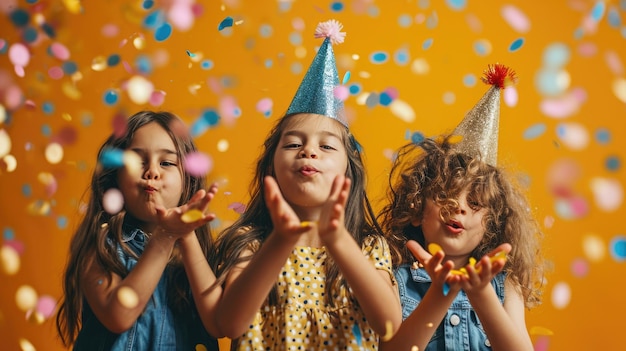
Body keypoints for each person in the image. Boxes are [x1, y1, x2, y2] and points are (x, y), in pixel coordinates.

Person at [210, 19, 401, 350]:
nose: (308, 150)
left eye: (326, 146)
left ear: (348, 172)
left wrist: (338, 240)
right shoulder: (252, 243)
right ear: (272, 166)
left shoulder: (368, 247)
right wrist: (282, 241)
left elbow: (388, 326)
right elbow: (228, 324)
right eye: (292, 144)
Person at [379, 64, 545, 351]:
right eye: (445, 195)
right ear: (417, 209)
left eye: (476, 203)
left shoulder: (506, 286)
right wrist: (440, 295)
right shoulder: (394, 276)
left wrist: (481, 294)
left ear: (490, 226)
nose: (459, 208)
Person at [55, 110, 221, 350]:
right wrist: (165, 237)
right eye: (137, 161)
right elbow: (118, 316)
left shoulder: (199, 254)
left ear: (189, 181)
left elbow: (217, 322)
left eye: (166, 162)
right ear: (115, 178)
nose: (152, 171)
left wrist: (184, 234)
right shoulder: (100, 247)